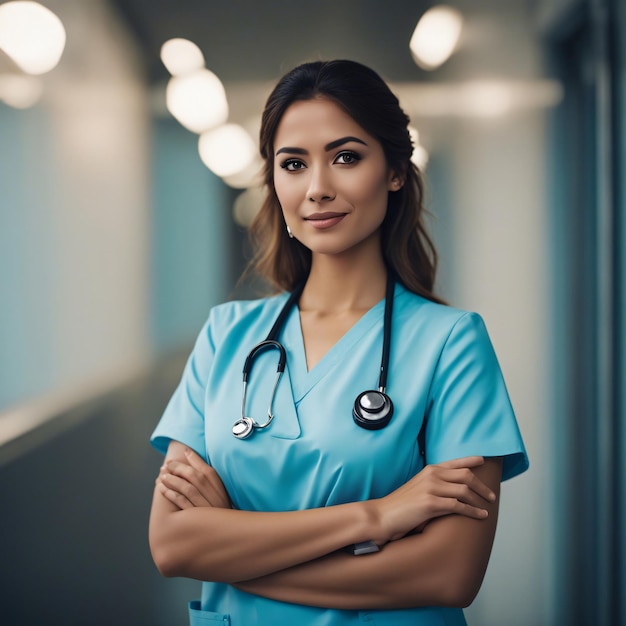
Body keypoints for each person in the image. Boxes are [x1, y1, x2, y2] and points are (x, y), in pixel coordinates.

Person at [148, 59, 528, 626]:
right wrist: (377, 517)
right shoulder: (227, 336)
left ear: (396, 170)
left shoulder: (452, 345)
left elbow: (449, 574)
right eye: (293, 164)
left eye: (346, 157)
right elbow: (173, 545)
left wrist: (234, 554)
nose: (318, 188)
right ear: (274, 182)